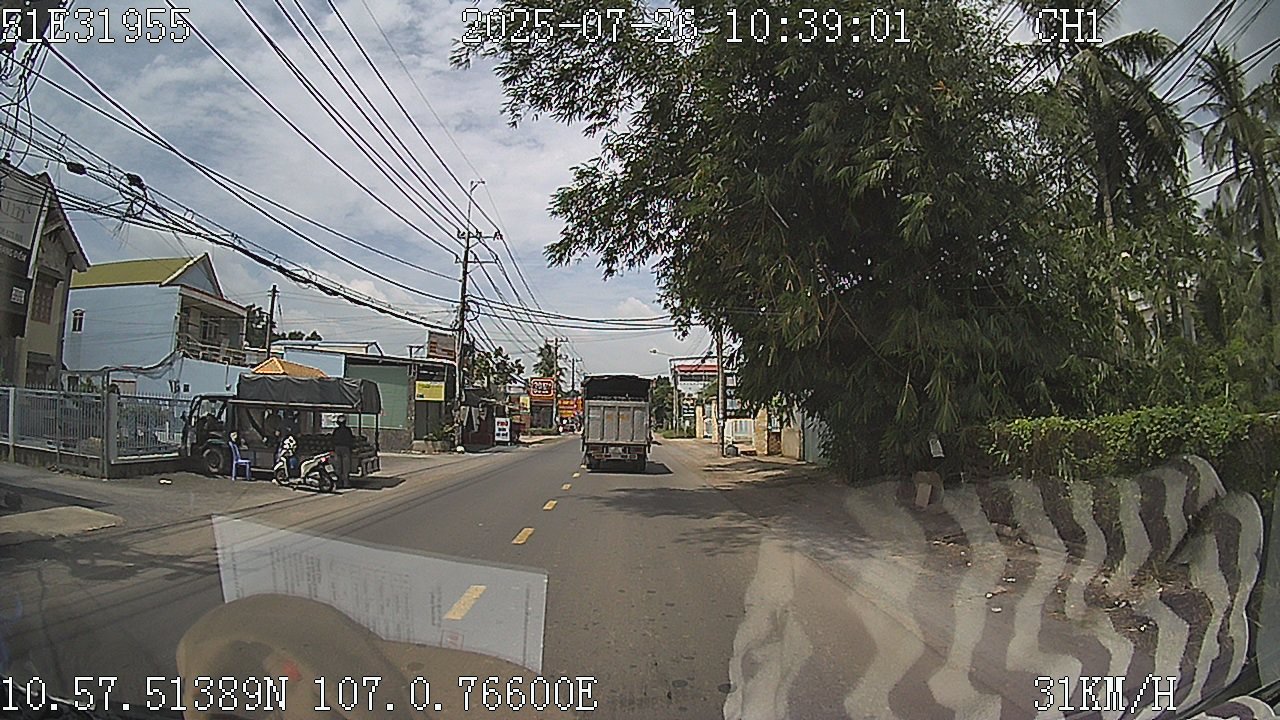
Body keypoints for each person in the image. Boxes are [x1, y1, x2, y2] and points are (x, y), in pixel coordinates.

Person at [331, 416, 355, 489]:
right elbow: (351, 439)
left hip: (337, 448)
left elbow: (332, 439)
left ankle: (339, 482)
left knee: (338, 466)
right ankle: (345, 482)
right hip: (345, 448)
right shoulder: (348, 430)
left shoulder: (336, 430)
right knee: (346, 466)